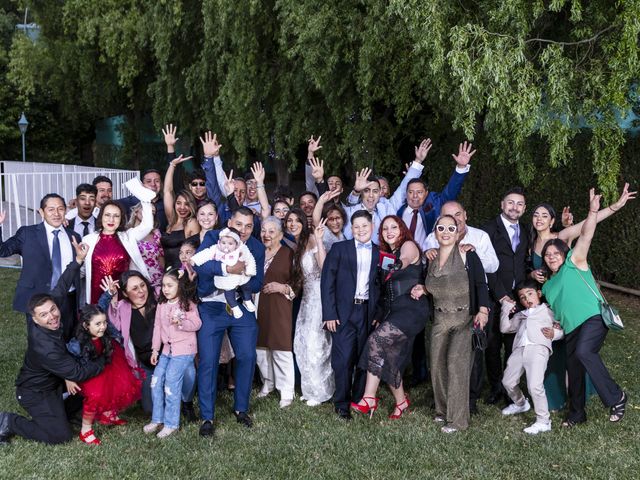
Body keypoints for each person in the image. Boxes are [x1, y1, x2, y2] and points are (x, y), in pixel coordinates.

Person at [542, 187, 635, 426]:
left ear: (564, 254)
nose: (551, 256)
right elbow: (559, 308)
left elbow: (586, 235)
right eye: (547, 255)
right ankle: (577, 414)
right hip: (572, 328)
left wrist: (593, 211)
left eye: (556, 253)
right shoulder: (547, 287)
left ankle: (617, 397)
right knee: (574, 370)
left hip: (593, 318)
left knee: (584, 353)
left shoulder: (575, 262)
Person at [411, 214, 490, 432]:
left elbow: (481, 284)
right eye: (441, 228)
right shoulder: (431, 258)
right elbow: (436, 284)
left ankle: (457, 421)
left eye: (451, 229)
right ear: (435, 232)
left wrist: (483, 310)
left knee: (456, 366)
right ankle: (443, 410)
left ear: (458, 233)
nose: (446, 233)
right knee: (436, 366)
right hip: (440, 319)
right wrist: (423, 289)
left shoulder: (468, 256)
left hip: (464, 318)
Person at [193, 207, 265, 436]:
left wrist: (238, 279)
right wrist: (227, 269)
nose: (243, 230)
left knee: (246, 355)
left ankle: (241, 409)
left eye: (249, 226)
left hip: (240, 307)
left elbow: (257, 283)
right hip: (212, 306)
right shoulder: (214, 237)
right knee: (209, 360)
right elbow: (200, 266)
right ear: (229, 221)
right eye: (239, 224)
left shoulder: (256, 247)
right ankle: (207, 416)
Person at [0, 292, 105, 446]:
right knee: (60, 436)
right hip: (35, 393)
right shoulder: (46, 348)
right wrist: (103, 361)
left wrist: (76, 266)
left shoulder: (48, 319)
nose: (52, 316)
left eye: (53, 309)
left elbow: (60, 288)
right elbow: (77, 372)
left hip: (55, 382)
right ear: (35, 319)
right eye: (44, 315)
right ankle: (9, 421)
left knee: (84, 389)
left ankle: (63, 414)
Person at [424, 200, 499, 412]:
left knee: (469, 356)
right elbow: (431, 268)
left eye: (457, 215)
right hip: (443, 306)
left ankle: (470, 400)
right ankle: (446, 402)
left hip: (474, 300)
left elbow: (492, 267)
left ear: (464, 215)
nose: (453, 221)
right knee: (442, 358)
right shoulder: (434, 238)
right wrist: (427, 253)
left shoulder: (479, 238)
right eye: (446, 218)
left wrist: (473, 254)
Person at [352, 215, 429, 419]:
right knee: (392, 357)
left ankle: (369, 397)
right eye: (385, 229)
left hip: (412, 308)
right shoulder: (385, 254)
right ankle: (401, 402)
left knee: (376, 340)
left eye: (394, 227)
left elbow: (404, 260)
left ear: (401, 229)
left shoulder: (409, 246)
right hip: (393, 310)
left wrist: (395, 264)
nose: (389, 231)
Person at [321, 210, 381, 420]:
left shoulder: (379, 253)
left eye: (365, 226)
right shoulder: (339, 249)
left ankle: (359, 399)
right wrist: (329, 313)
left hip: (367, 312)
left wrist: (379, 313)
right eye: (356, 226)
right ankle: (342, 403)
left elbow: (382, 286)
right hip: (343, 312)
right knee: (343, 359)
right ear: (351, 229)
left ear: (372, 227)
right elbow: (327, 282)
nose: (361, 230)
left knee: (363, 358)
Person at [0, 194, 81, 332]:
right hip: (38, 299)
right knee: (40, 344)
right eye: (51, 209)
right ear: (41, 212)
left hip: (68, 299)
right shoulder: (27, 233)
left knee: (67, 339)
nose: (56, 213)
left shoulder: (74, 236)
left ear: (65, 211)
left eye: (60, 209)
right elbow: (2, 251)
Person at [481, 187, 529, 405]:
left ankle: (512, 388)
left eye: (519, 204)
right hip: (493, 296)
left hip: (517, 298)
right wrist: (500, 295)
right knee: (492, 345)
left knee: (513, 345)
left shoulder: (527, 230)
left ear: (524, 208)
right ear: (502, 205)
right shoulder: (489, 230)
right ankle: (496, 388)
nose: (514, 207)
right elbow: (485, 267)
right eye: (510, 202)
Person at [69, 305, 142, 445]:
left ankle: (109, 413)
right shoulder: (77, 344)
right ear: (85, 325)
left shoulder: (104, 337)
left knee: (115, 387)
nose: (103, 327)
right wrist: (69, 378)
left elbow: (103, 303)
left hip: (107, 364)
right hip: (89, 372)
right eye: (98, 324)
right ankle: (86, 430)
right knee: (95, 396)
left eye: (104, 322)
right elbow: (68, 361)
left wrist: (108, 293)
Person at [144, 268, 202, 438]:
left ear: (180, 285)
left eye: (170, 285)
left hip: (184, 350)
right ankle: (157, 419)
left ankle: (171, 424)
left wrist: (182, 322)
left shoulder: (187, 304)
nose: (165, 289)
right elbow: (157, 328)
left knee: (171, 383)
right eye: (163, 285)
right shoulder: (161, 305)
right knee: (156, 382)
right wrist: (155, 349)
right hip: (166, 350)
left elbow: (197, 324)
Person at [500, 280, 564, 434]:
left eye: (530, 294)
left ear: (539, 294)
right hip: (519, 350)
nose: (526, 299)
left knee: (534, 385)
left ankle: (544, 421)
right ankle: (521, 403)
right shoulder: (520, 315)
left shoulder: (549, 311)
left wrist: (554, 333)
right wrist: (505, 310)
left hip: (538, 349)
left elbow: (562, 330)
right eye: (522, 297)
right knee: (507, 381)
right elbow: (505, 328)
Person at [82, 179, 156, 304]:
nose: (111, 219)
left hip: (124, 297)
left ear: (121, 219)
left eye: (116, 216)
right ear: (101, 217)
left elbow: (148, 225)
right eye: (107, 215)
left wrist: (145, 200)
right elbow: (82, 270)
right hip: (95, 296)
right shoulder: (88, 239)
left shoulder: (128, 237)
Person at [343, 138, 429, 243]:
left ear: (380, 193)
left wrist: (418, 161)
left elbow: (403, 189)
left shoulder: (386, 207)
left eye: (375, 191)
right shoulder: (350, 211)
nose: (371, 195)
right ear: (361, 193)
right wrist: (355, 190)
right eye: (366, 190)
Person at [397, 141, 475, 251]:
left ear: (426, 193)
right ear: (406, 193)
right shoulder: (398, 210)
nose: (414, 196)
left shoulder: (435, 205)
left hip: (427, 258)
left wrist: (461, 167)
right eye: (411, 192)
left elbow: (450, 192)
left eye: (419, 192)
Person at [292, 214, 334, 407]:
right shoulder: (297, 244)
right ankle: (309, 388)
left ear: (303, 223)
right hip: (306, 298)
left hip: (319, 297)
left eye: (296, 221)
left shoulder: (312, 239)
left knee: (314, 343)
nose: (293, 224)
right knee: (301, 342)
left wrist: (318, 239)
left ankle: (321, 391)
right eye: (289, 221)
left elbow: (325, 267)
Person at [255, 217, 297, 407]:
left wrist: (283, 288)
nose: (267, 235)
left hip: (280, 304)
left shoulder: (289, 253)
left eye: (271, 231)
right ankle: (268, 383)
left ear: (281, 233)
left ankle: (286, 391)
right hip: (257, 304)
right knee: (261, 348)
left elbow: (299, 281)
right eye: (264, 230)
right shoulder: (257, 252)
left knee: (280, 346)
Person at [192, 227, 257, 318]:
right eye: (223, 243)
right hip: (226, 279)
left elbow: (250, 259)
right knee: (229, 294)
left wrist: (250, 271)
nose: (226, 246)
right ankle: (234, 307)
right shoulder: (216, 249)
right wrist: (195, 260)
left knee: (247, 287)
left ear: (236, 244)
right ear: (219, 242)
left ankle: (247, 300)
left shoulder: (242, 249)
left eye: (230, 244)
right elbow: (205, 254)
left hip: (241, 276)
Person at [161, 166, 201, 268]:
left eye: (187, 204)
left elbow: (195, 251)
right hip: (167, 271)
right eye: (179, 203)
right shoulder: (171, 221)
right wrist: (172, 165)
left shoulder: (191, 222)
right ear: (174, 205)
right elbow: (167, 191)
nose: (182, 207)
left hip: (182, 271)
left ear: (191, 206)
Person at [127, 202, 165, 291]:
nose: (150, 214)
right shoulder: (126, 234)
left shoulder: (156, 233)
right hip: (137, 280)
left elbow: (161, 258)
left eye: (153, 213)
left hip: (157, 279)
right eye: (147, 210)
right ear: (136, 212)